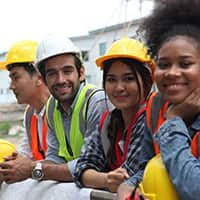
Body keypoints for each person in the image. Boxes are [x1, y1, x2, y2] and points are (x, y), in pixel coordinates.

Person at [117, 0, 200, 200]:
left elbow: (195, 188)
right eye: (163, 64)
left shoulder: (168, 115)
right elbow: (145, 167)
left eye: (185, 63)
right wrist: (128, 185)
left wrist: (173, 121)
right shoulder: (155, 108)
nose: (172, 73)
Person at [74, 36, 154, 193]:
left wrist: (100, 178)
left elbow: (128, 176)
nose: (119, 87)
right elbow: (81, 169)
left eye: (128, 79)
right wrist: (106, 179)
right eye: (111, 80)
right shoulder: (108, 122)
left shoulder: (150, 118)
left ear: (147, 81)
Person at [31, 34, 110, 182]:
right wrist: (19, 168)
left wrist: (32, 170)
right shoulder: (51, 107)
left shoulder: (96, 102)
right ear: (43, 80)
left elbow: (91, 165)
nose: (61, 80)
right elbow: (55, 158)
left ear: (80, 73)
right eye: (52, 73)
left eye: (67, 71)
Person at [0, 40, 50, 184]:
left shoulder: (60, 111)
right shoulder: (30, 114)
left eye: (16, 77)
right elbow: (24, 155)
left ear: (39, 77)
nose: (11, 86)